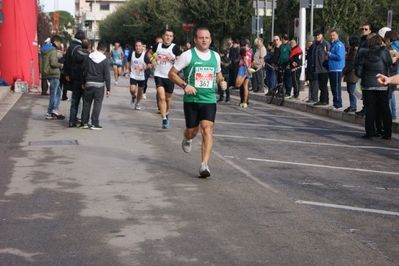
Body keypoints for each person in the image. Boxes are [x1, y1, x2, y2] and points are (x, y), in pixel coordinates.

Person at [168, 27, 227, 178]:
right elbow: (172, 74)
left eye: (207, 37)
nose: (204, 40)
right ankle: (187, 138)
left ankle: (204, 165)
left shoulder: (215, 56)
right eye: (201, 38)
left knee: (207, 130)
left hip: (209, 99)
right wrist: (184, 85)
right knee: (192, 131)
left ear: (210, 39)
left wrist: (222, 82)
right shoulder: (188, 55)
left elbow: (218, 73)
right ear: (195, 40)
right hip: (192, 100)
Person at [355, 35, 392, 140]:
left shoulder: (363, 53)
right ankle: (387, 132)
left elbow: (358, 71)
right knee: (384, 107)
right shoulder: (384, 52)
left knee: (370, 108)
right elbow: (389, 65)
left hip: (367, 83)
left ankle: (370, 131)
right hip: (381, 82)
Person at [147, 29, 182, 129]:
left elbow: (180, 61)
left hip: (170, 76)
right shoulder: (157, 46)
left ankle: (167, 113)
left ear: (172, 38)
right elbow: (149, 53)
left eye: (170, 36)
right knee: (161, 97)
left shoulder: (175, 48)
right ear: (163, 36)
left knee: (168, 98)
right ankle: (164, 119)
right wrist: (152, 59)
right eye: (166, 35)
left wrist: (173, 59)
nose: (168, 37)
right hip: (158, 74)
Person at [80, 40, 111, 130]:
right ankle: (95, 123)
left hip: (88, 83)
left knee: (86, 103)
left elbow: (83, 71)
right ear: (105, 49)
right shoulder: (104, 60)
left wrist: (83, 82)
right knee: (97, 103)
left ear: (97, 47)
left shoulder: (89, 57)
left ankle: (84, 122)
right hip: (99, 85)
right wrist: (108, 89)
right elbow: (107, 76)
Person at [40, 35, 65, 120]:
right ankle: (50, 111)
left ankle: (54, 109)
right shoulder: (53, 50)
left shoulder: (44, 49)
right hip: (54, 73)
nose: (60, 44)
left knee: (57, 92)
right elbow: (53, 63)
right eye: (59, 42)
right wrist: (61, 65)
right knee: (54, 93)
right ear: (55, 42)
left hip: (48, 73)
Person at [68, 38, 91, 127]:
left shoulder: (76, 54)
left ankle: (71, 121)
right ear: (89, 46)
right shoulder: (88, 56)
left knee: (74, 102)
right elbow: (86, 70)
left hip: (75, 81)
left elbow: (72, 67)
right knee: (86, 102)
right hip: (84, 82)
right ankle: (83, 121)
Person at [356, 23, 376, 116]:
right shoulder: (363, 40)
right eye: (362, 29)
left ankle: (366, 108)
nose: (364, 31)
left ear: (370, 30)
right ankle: (365, 108)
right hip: (361, 68)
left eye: (366, 29)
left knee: (366, 90)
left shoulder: (368, 41)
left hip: (366, 69)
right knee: (363, 90)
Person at [128, 40, 151, 110]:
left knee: (140, 91)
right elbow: (127, 61)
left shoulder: (144, 55)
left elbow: (150, 65)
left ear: (142, 47)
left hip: (141, 76)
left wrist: (146, 67)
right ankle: (133, 96)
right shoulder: (132, 54)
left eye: (139, 46)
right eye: (136, 46)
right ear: (135, 47)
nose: (138, 47)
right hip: (133, 74)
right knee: (132, 89)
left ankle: (137, 104)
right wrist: (126, 68)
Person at [63, 31, 86, 100]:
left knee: (74, 100)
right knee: (78, 100)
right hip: (77, 75)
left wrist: (66, 73)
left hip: (70, 73)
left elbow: (66, 60)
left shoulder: (70, 46)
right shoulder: (79, 48)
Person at [326, 30, 345, 109]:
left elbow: (339, 56)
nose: (332, 37)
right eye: (331, 35)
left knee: (336, 87)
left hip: (337, 69)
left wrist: (330, 54)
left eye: (333, 35)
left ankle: (338, 103)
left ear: (337, 35)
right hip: (332, 69)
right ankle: (335, 102)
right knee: (333, 87)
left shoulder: (339, 45)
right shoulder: (332, 45)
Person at [311, 30, 330, 106]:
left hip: (324, 68)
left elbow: (328, 54)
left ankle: (323, 100)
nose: (317, 37)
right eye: (316, 35)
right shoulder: (315, 44)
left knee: (323, 85)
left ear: (322, 35)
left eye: (319, 35)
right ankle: (325, 99)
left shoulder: (325, 44)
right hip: (317, 67)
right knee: (322, 85)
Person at [342, 36, 359, 113]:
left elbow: (351, 65)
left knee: (352, 91)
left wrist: (343, 71)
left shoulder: (355, 52)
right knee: (350, 90)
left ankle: (353, 105)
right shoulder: (352, 51)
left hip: (352, 75)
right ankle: (352, 105)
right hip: (350, 74)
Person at [235, 39, 254, 107]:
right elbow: (252, 61)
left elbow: (244, 58)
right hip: (249, 68)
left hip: (243, 67)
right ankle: (245, 103)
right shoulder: (250, 52)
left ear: (240, 45)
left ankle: (244, 101)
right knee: (245, 86)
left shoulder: (242, 50)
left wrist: (247, 68)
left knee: (237, 84)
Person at [305, 35, 318, 103]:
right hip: (310, 68)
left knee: (314, 84)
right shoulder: (311, 48)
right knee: (311, 84)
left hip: (314, 69)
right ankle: (312, 97)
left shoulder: (313, 48)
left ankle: (314, 97)